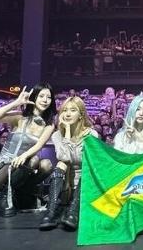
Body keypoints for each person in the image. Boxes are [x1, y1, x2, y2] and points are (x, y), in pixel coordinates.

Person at [0, 84, 56, 218]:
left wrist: (24, 156)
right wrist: (16, 102)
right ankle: (5, 196)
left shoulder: (49, 124)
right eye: (41, 96)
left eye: (49, 97)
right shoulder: (20, 117)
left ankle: (17, 192)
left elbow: (39, 145)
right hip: (3, 168)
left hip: (24, 165)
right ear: (34, 97)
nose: (45, 100)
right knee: (33, 160)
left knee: (46, 164)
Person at [40, 96, 99, 231]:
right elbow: (64, 157)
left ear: (81, 115)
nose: (67, 114)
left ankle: (73, 212)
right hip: (65, 184)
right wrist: (66, 132)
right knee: (61, 164)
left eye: (73, 110)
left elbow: (87, 162)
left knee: (88, 168)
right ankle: (51, 211)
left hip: (85, 186)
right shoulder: (57, 135)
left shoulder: (92, 135)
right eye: (64, 110)